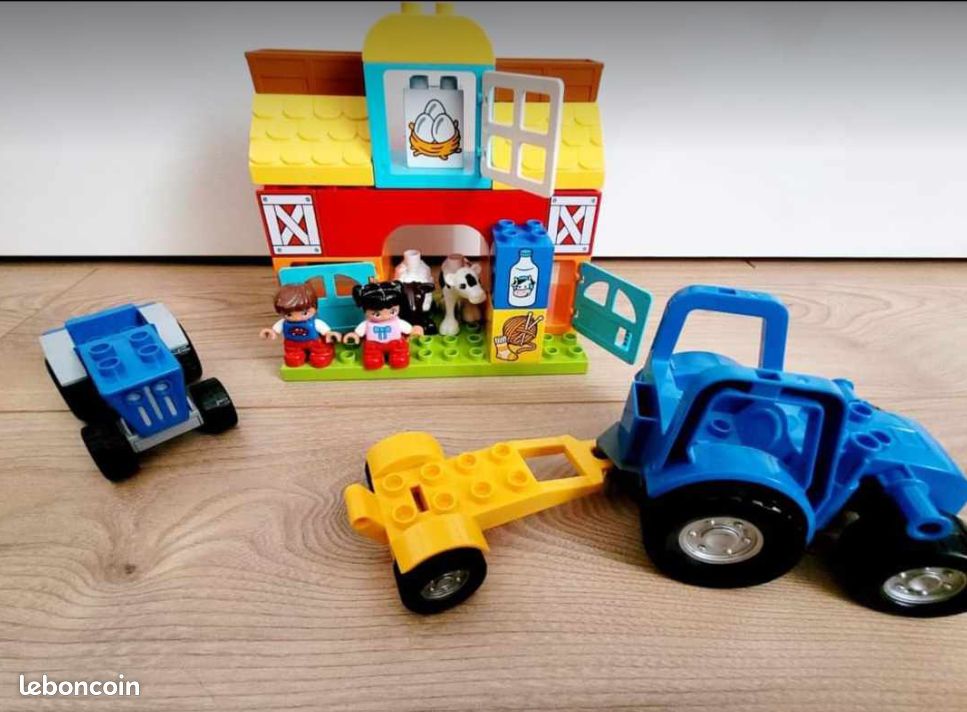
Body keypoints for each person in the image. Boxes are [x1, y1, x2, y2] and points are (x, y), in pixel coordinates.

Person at [344, 281, 424, 370]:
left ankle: (397, 356)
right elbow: (358, 333)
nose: (385, 317)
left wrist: (414, 329)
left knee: (400, 358)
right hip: (373, 345)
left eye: (392, 311)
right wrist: (355, 335)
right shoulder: (367, 324)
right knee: (372, 360)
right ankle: (375, 357)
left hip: (395, 343)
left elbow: (409, 329)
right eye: (377, 314)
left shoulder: (397, 322)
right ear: (365, 310)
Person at [259, 284, 341, 368]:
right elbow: (276, 330)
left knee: (320, 353)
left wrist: (329, 334)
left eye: (304, 313)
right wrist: (271, 332)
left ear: (315, 307)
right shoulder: (284, 322)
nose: (297, 318)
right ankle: (295, 355)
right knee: (292, 357)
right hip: (292, 343)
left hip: (314, 342)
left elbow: (325, 330)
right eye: (289, 314)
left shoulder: (316, 322)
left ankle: (320, 355)